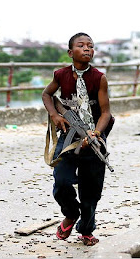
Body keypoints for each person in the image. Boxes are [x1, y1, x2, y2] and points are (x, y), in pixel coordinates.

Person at [42, 32, 112, 246]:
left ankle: (86, 230)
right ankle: (71, 214)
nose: (87, 49)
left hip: (93, 139)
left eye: (90, 46)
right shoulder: (60, 75)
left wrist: (95, 134)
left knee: (91, 192)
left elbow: (106, 113)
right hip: (69, 137)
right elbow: (47, 95)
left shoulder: (99, 78)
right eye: (81, 46)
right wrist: (54, 114)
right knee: (61, 181)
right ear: (71, 53)